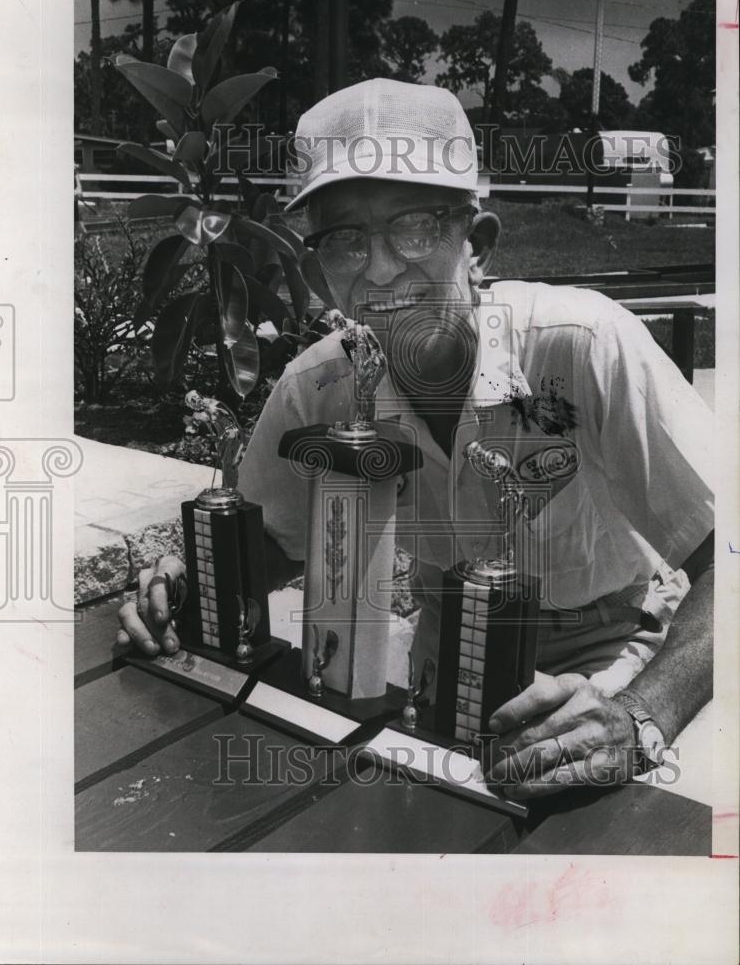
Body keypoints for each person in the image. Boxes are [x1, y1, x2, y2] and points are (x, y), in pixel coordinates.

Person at [117, 79, 714, 799]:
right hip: (439, 651)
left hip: (600, 649)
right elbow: (271, 542)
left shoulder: (582, 347)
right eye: (342, 239)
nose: (376, 268)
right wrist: (187, 584)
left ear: (477, 245)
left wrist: (640, 714)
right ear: (318, 265)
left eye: (416, 227)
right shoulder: (318, 387)